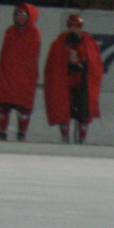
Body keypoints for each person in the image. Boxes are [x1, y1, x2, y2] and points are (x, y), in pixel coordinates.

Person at [44, 13, 102, 143]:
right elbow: (53, 65)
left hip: (82, 83)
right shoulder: (59, 44)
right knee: (63, 109)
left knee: (84, 112)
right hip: (65, 84)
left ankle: (82, 138)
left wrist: (84, 66)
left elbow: (95, 64)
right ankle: (65, 137)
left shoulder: (90, 44)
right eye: (71, 26)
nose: (74, 29)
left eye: (77, 27)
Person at [0, 3, 42, 141]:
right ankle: (2, 131)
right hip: (7, 73)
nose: (20, 18)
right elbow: (5, 53)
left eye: (23, 15)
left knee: (24, 107)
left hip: (24, 76)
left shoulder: (34, 33)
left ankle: (22, 133)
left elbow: (30, 55)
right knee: (3, 105)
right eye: (17, 14)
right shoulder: (10, 31)